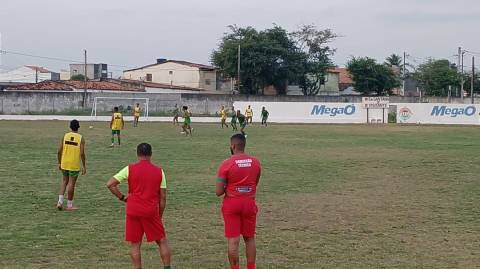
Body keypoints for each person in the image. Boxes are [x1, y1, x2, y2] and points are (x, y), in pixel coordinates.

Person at [106, 143, 172, 269]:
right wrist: (160, 215)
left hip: (133, 209)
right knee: (162, 241)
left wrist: (122, 197)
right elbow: (163, 198)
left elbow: (110, 184)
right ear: (151, 154)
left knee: (135, 244)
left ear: (137, 154)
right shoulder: (159, 172)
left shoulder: (129, 169)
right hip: (150, 211)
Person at [216, 134, 262, 269]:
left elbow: (218, 192)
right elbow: (255, 183)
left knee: (233, 241)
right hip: (249, 203)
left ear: (233, 146)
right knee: (249, 238)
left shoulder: (226, 164)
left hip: (232, 204)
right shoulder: (256, 162)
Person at [56, 119, 86, 211]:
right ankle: (69, 205)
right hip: (74, 164)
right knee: (71, 183)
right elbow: (82, 153)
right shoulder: (81, 138)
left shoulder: (65, 136)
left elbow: (59, 151)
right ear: (78, 127)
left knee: (64, 181)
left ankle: (60, 202)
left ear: (70, 127)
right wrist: (84, 166)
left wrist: (59, 162)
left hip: (64, 163)